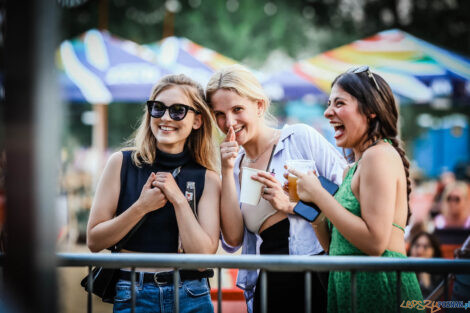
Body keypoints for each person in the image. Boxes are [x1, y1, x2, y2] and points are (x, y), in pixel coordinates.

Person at [205, 64, 346, 313]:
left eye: (238, 109)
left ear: (259, 106)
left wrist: (292, 206)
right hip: (270, 283)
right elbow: (234, 239)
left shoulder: (299, 138)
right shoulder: (236, 166)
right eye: (219, 114)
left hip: (317, 275)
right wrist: (226, 170)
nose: (229, 122)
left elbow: (348, 196)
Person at [289, 66, 423, 313]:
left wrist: (319, 193)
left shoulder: (378, 156)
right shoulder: (352, 168)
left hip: (380, 289)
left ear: (371, 110)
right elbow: (336, 246)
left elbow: (374, 242)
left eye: (339, 103)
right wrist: (307, 207)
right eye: (329, 104)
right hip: (350, 288)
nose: (328, 112)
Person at [86, 74, 221, 313]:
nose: (166, 117)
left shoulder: (208, 178)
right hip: (134, 292)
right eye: (158, 108)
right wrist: (141, 207)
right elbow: (94, 241)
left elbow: (203, 260)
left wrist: (179, 199)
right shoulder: (121, 163)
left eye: (178, 110)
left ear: (197, 121)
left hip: (191, 293)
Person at [408, 231, 443, 298]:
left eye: (426, 247)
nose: (420, 251)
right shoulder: (402, 270)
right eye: (417, 245)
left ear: (434, 251)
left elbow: (433, 304)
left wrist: (424, 274)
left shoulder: (441, 274)